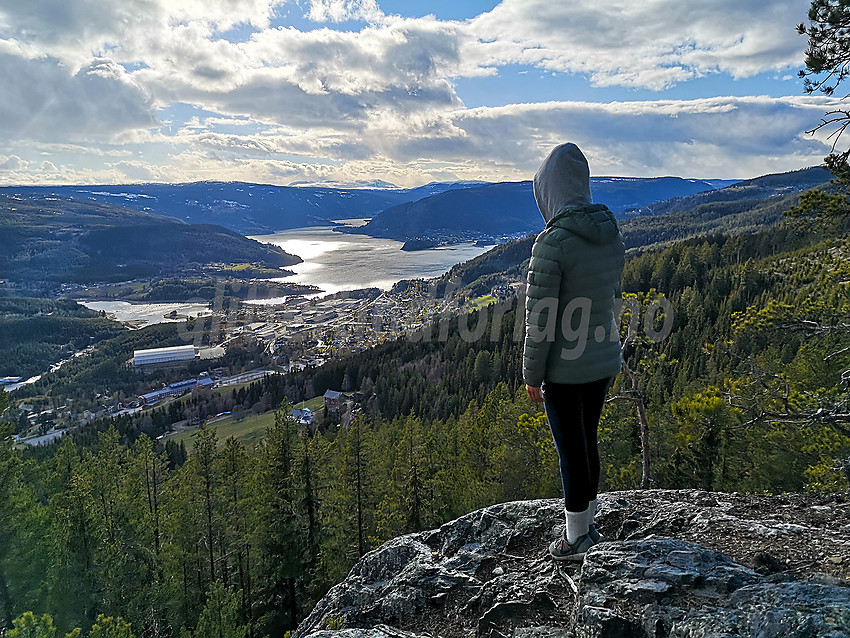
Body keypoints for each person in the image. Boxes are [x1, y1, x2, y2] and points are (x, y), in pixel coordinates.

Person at [523, 142, 625, 561]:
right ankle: (589, 525)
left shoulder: (552, 244)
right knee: (588, 442)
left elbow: (540, 322)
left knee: (570, 452)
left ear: (548, 192)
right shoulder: (609, 232)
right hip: (602, 361)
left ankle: (575, 539)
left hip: (564, 370)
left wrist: (531, 376)